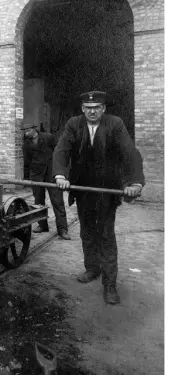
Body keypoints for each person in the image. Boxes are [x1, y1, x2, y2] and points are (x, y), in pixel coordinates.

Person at [53, 91, 144, 305]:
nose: (92, 111)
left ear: (103, 109)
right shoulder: (74, 124)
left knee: (105, 235)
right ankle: (92, 269)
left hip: (106, 189)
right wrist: (60, 175)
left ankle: (110, 284)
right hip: (83, 188)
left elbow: (129, 152)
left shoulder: (115, 124)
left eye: (96, 108)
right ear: (82, 109)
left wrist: (135, 182)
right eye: (88, 108)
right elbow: (61, 150)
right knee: (86, 231)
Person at [21, 123, 71, 240]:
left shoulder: (48, 137)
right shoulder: (26, 144)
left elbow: (59, 153)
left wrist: (62, 172)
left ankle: (63, 230)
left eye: (27, 130)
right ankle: (42, 225)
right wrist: (27, 178)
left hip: (51, 174)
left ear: (34, 129)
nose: (25, 133)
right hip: (37, 176)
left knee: (58, 202)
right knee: (38, 202)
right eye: (24, 131)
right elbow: (27, 162)